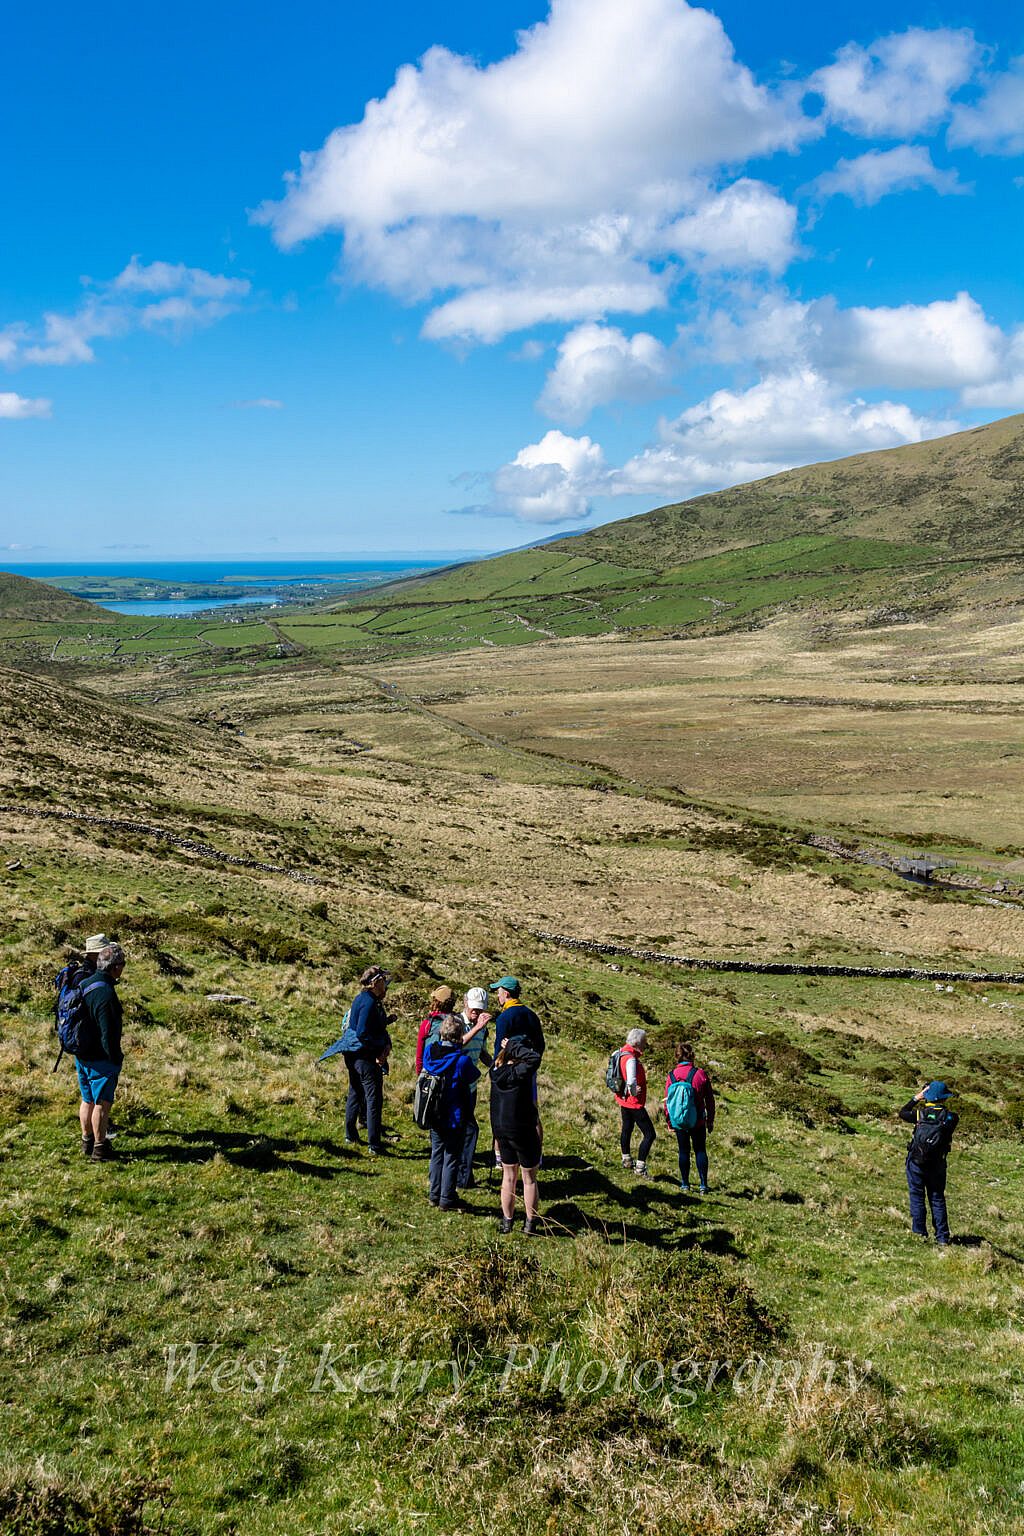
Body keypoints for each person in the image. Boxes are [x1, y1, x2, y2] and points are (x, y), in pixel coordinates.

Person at [422, 1015, 480, 1212]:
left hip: (434, 1112)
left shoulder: (430, 1052)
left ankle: (434, 1194)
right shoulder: (461, 1060)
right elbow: (474, 1075)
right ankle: (447, 1198)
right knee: (452, 1155)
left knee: (436, 1153)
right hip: (454, 1115)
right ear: (460, 1035)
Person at [75, 942, 126, 1162]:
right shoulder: (105, 993)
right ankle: (100, 1149)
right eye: (122, 964)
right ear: (114, 967)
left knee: (86, 1100)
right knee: (102, 1104)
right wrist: (114, 1058)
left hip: (82, 1054)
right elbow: (108, 1032)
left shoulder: (86, 983)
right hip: (100, 1058)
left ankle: (86, 1142)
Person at [335, 965, 393, 1155]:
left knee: (355, 1092)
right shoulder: (369, 1002)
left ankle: (350, 1135)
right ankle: (374, 1144)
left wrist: (386, 1021)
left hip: (353, 1055)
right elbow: (362, 1032)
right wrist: (379, 1050)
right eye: (384, 981)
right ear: (376, 983)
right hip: (365, 1056)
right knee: (373, 1098)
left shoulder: (362, 998)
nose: (386, 985)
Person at [490, 975, 545, 1168]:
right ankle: (536, 1155)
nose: (497, 996)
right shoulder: (531, 1015)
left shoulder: (505, 1017)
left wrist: (497, 1068)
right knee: (531, 1110)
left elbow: (499, 1047)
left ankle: (501, 1156)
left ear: (506, 993)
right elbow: (540, 1045)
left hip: (508, 1070)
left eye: (498, 992)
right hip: (527, 1069)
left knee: (504, 1111)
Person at [490, 1036, 542, 1235]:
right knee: (529, 1179)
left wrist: (508, 1048)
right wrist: (514, 1046)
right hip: (522, 1129)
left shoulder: (495, 1071)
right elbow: (534, 1059)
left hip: (501, 1130)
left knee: (508, 1176)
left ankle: (507, 1222)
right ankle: (530, 1223)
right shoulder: (520, 1072)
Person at [899, 1080, 958, 1246]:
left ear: (927, 1096)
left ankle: (919, 1233)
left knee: (917, 1197)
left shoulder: (920, 1114)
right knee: (937, 1198)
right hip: (938, 1164)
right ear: (944, 1098)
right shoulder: (951, 1118)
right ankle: (942, 1237)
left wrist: (917, 1097)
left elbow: (903, 1112)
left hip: (916, 1161)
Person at [664, 1042, 716, 1193]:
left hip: (679, 1121)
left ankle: (685, 1184)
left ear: (677, 1056)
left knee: (683, 1151)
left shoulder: (671, 1076)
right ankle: (703, 1185)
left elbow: (668, 1101)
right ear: (692, 1055)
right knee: (700, 1150)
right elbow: (710, 1100)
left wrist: (670, 1121)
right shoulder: (700, 1074)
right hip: (698, 1121)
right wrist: (710, 1120)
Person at [456, 987, 492, 1191]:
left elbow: (481, 1052)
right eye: (473, 1008)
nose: (475, 1012)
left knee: (464, 1131)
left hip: (471, 1086)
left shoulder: (482, 1028)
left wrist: (496, 1065)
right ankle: (463, 1178)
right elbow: (455, 1046)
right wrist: (477, 1027)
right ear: (465, 1003)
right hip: (455, 1086)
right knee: (469, 1131)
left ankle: (463, 1176)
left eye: (479, 1009)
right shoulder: (457, 1023)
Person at [615, 1027, 655, 1178]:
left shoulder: (619, 1052)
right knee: (650, 1134)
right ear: (637, 1043)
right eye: (644, 1042)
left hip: (623, 1100)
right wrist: (632, 1090)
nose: (645, 1045)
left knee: (627, 1128)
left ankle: (626, 1159)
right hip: (634, 1102)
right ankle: (640, 1167)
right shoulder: (631, 1058)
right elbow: (631, 1079)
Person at [415, 985, 455, 1074]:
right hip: (450, 1071)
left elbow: (419, 1053)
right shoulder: (457, 1023)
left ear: (436, 1002)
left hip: (430, 1071)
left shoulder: (427, 1024)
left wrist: (419, 1073)